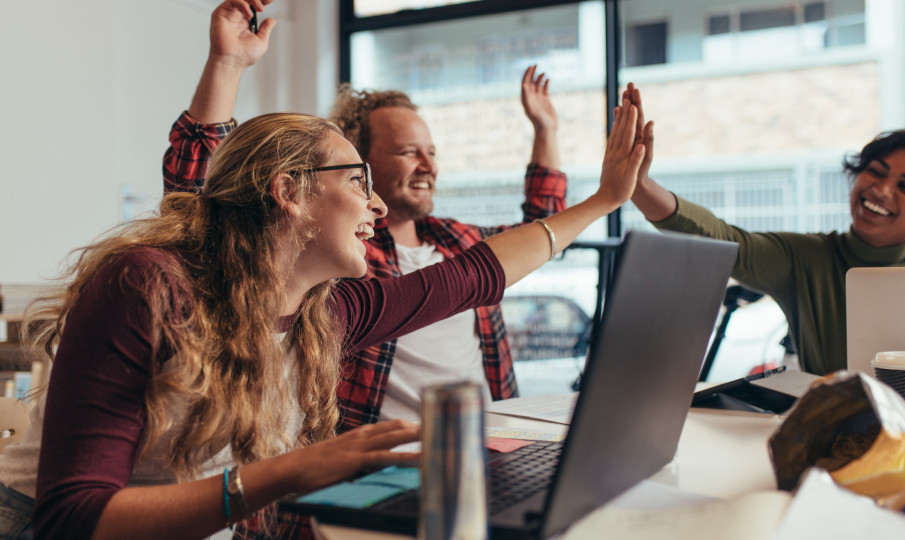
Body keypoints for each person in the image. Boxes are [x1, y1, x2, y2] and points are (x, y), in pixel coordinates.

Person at [0, 61, 645, 540]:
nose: (378, 205)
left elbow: (477, 274)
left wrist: (605, 200)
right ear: (288, 190)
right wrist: (294, 471)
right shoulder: (146, 286)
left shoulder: (322, 312)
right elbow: (72, 516)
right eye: (359, 180)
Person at [163, 0, 567, 429]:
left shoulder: (456, 241)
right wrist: (226, 64)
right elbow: (203, 197)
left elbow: (540, 232)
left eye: (431, 152)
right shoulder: (337, 258)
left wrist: (547, 131)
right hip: (378, 464)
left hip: (481, 446)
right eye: (408, 152)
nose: (428, 165)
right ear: (362, 160)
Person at [623, 83, 905, 376]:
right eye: (875, 171)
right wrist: (639, 185)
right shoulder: (806, 258)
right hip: (836, 435)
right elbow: (722, 238)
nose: (882, 190)